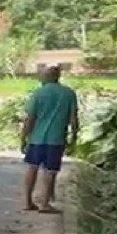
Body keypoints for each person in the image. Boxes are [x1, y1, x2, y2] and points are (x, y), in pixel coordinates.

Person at [20, 65, 79, 213]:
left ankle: (28, 201)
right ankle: (45, 204)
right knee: (50, 170)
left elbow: (30, 118)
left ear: (47, 77)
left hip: (36, 138)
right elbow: (73, 118)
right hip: (56, 138)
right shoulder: (68, 94)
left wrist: (23, 137)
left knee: (32, 167)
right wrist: (74, 137)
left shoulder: (38, 93)